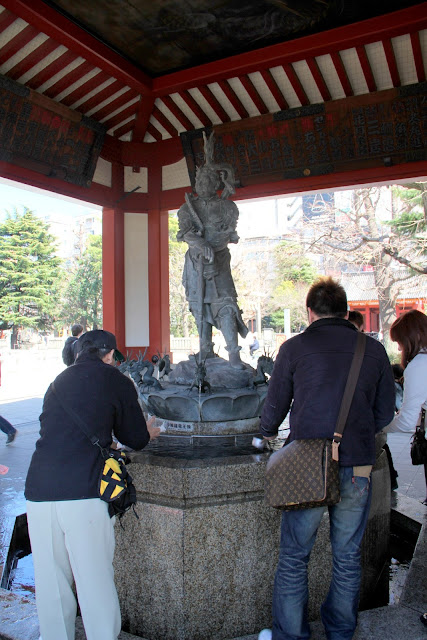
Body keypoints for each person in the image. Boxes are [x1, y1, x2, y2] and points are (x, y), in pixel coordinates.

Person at [257, 277, 395, 640]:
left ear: (309, 311)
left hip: (307, 464)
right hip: (358, 467)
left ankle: (291, 635)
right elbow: (384, 414)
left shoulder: (294, 348)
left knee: (293, 559)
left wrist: (266, 433)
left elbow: (273, 411)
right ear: (345, 310)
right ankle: (340, 631)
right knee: (347, 556)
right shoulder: (373, 350)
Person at [25, 329, 161, 640]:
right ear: (110, 355)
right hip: (83, 492)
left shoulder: (57, 382)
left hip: (39, 489)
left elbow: (54, 431)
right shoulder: (115, 379)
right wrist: (149, 434)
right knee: (94, 580)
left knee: (50, 582)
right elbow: (136, 437)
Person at [177, 132, 248, 369]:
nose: (201, 185)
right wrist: (201, 244)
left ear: (216, 183)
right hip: (196, 262)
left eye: (207, 181)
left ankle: (234, 354)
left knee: (226, 303)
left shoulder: (227, 206)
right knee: (199, 305)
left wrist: (215, 242)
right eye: (199, 181)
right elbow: (185, 233)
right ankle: (205, 350)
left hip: (219, 262)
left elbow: (229, 233)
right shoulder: (187, 208)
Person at [384, 310, 427, 505]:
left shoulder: (419, 365)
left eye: (400, 341)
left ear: (415, 337)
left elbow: (408, 420)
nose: (400, 349)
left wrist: (382, 427)